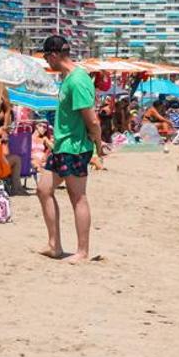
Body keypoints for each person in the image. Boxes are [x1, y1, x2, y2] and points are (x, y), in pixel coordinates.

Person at [36, 35, 103, 263]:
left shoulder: (77, 80)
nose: (47, 62)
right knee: (43, 189)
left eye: (46, 57)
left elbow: (92, 120)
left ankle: (82, 252)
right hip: (62, 145)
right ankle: (54, 245)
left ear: (54, 54)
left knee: (78, 197)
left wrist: (98, 147)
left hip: (75, 147)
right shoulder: (67, 79)